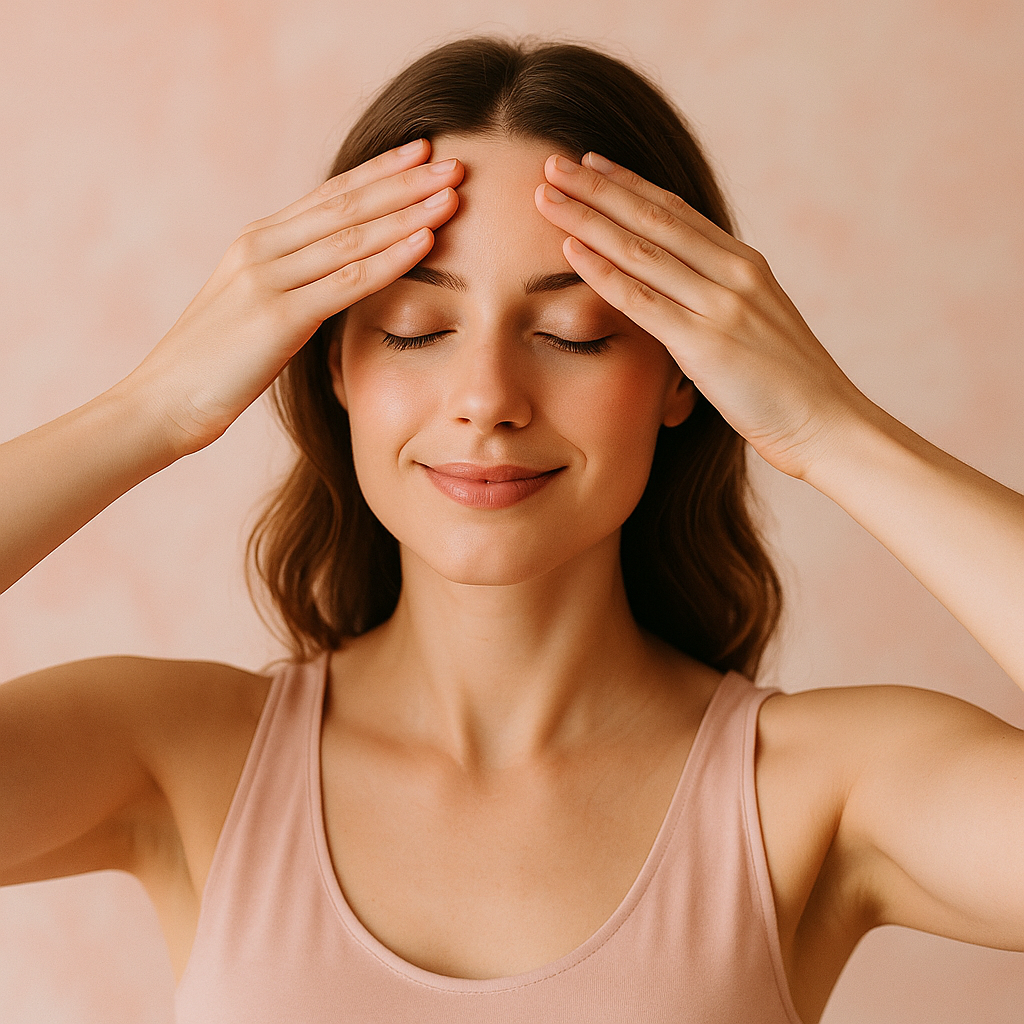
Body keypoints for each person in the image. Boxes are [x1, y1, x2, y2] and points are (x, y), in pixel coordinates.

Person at [1, 34, 1022, 1024]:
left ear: (683, 374)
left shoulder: (815, 790)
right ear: (334, 362)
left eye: (570, 333)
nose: (486, 397)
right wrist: (152, 408)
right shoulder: (179, 753)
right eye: (416, 329)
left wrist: (827, 426)